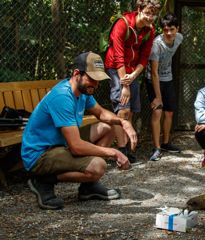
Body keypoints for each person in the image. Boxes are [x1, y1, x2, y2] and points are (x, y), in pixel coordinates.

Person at [22, 52, 138, 210]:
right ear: (77, 73)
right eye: (92, 79)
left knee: (108, 128)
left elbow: (102, 113)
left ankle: (88, 188)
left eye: (98, 80)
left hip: (60, 143)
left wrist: (123, 122)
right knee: (98, 166)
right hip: (40, 154)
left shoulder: (83, 91)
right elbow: (76, 146)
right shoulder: (62, 96)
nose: (96, 85)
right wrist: (114, 152)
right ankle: (43, 180)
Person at [104, 0, 161, 162]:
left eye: (154, 15)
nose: (150, 17)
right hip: (116, 68)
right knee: (122, 109)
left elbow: (144, 58)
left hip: (132, 71)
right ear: (139, 10)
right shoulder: (122, 24)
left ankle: (128, 148)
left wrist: (134, 75)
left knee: (131, 111)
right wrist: (125, 84)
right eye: (148, 13)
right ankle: (121, 150)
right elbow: (118, 55)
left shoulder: (150, 30)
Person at [145, 13, 183, 161]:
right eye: (165, 30)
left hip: (168, 78)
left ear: (177, 29)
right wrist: (158, 97)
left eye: (171, 29)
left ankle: (166, 143)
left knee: (169, 113)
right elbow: (154, 72)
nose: (168, 33)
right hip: (153, 79)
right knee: (157, 113)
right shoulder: (156, 45)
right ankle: (157, 148)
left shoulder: (179, 38)